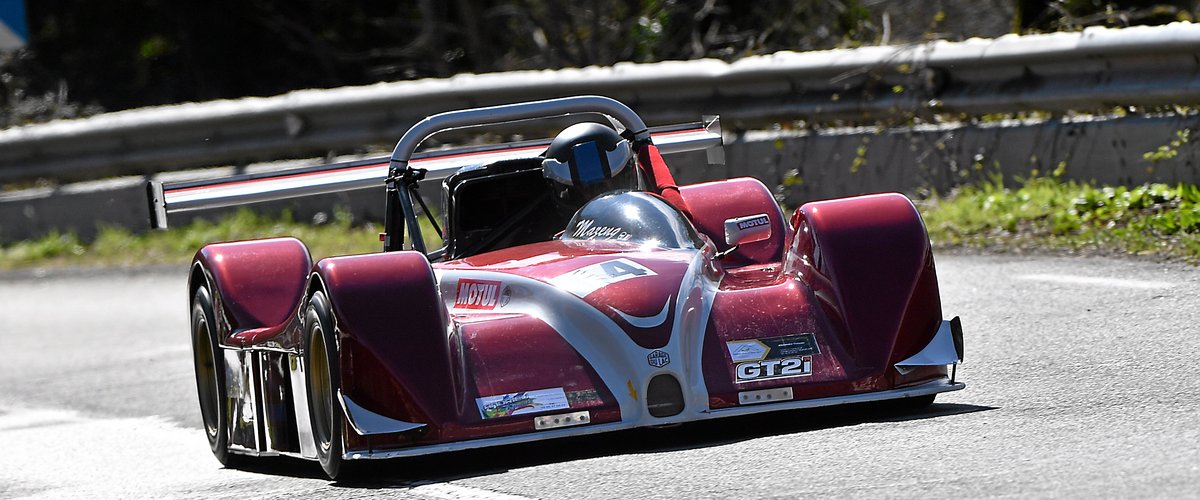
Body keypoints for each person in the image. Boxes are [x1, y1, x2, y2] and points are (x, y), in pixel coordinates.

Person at [541, 122, 692, 219]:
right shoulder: (540, 235)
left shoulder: (658, 216)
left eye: (608, 184)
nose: (599, 196)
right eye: (588, 189)